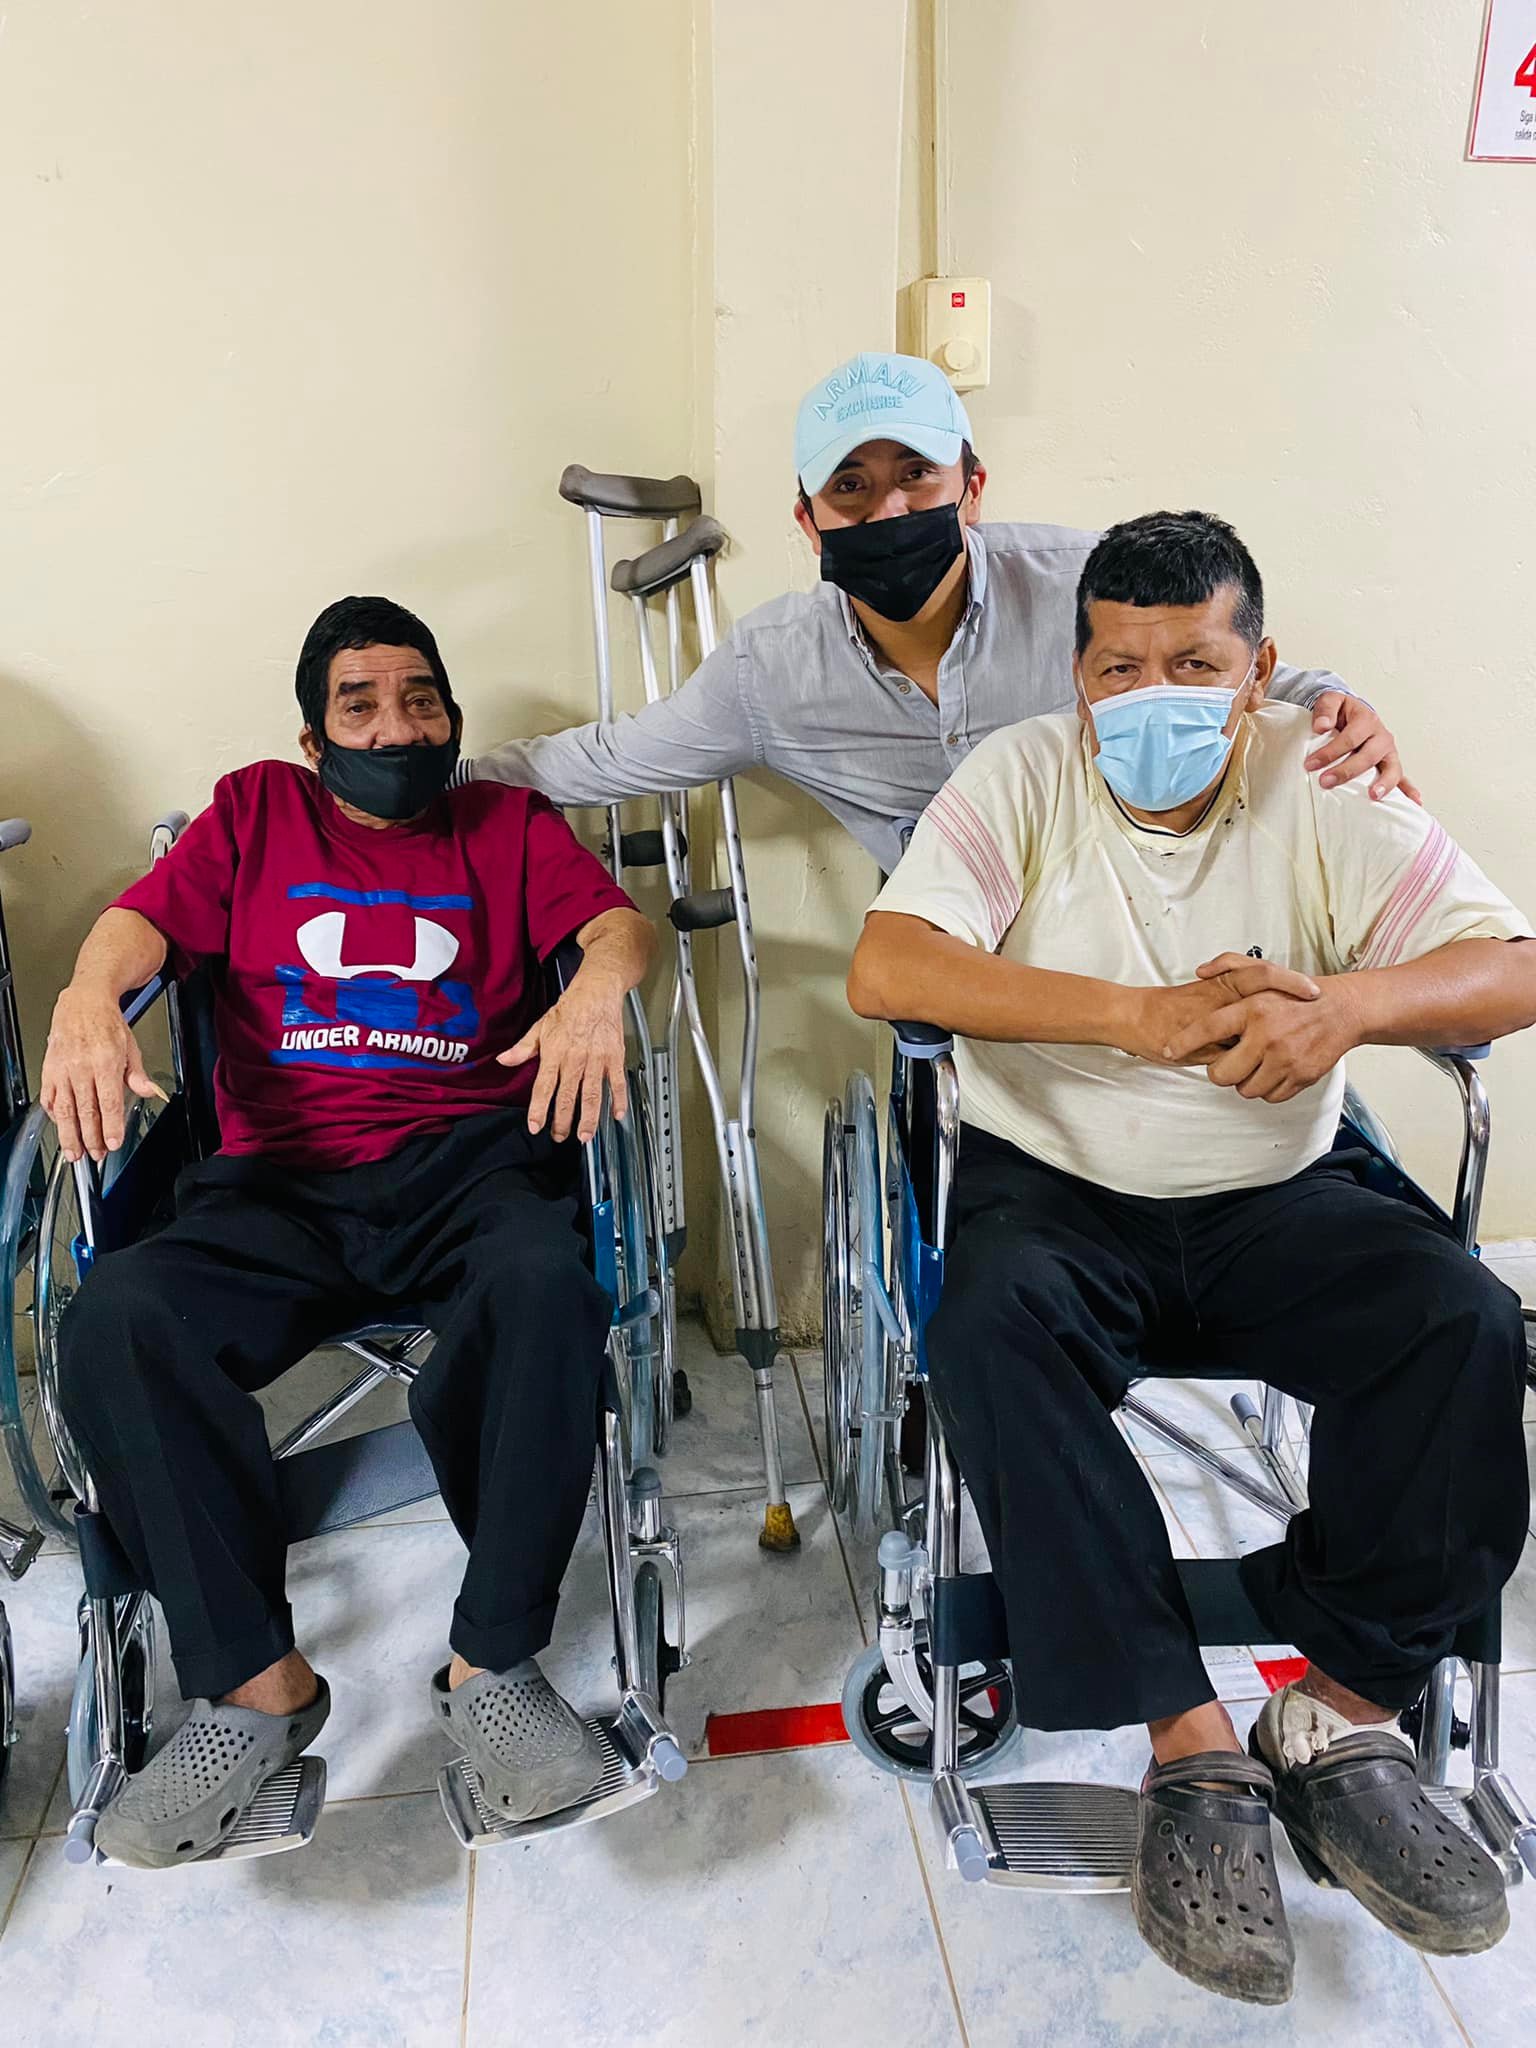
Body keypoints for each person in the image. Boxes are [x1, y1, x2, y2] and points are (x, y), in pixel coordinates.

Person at [845, 511, 1533, 2005]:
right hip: (1059, 1185)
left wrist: (1347, 1008)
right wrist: (1135, 1017)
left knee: (1463, 1321)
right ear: (1078, 674)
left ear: (1258, 670)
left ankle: (1338, 1716)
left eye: (1194, 664)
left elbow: (1514, 965)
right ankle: (1191, 1746)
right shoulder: (1021, 775)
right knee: (984, 1328)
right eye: (1119, 666)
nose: (1151, 693)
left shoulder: (1319, 776)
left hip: (1275, 1189)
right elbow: (890, 967)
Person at [41, 595, 655, 1867]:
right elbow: (138, 922)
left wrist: (601, 983)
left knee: (548, 1286)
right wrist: (88, 997)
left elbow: (615, 927)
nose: (397, 726)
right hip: (277, 1180)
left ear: (452, 717)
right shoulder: (255, 810)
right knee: (116, 1321)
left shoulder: (506, 825)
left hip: (468, 1170)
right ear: (315, 739)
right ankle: (255, 1685)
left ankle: (492, 1667)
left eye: (421, 699)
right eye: (361, 704)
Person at [459, 352, 1415, 872]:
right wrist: (434, 779)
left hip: (1130, 902)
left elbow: (1230, 672)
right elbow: (612, 757)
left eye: (917, 475)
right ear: (807, 520)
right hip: (953, 954)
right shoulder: (773, 671)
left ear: (973, 488)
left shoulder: (1087, 587)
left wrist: (1343, 708)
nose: (888, 511)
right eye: (850, 486)